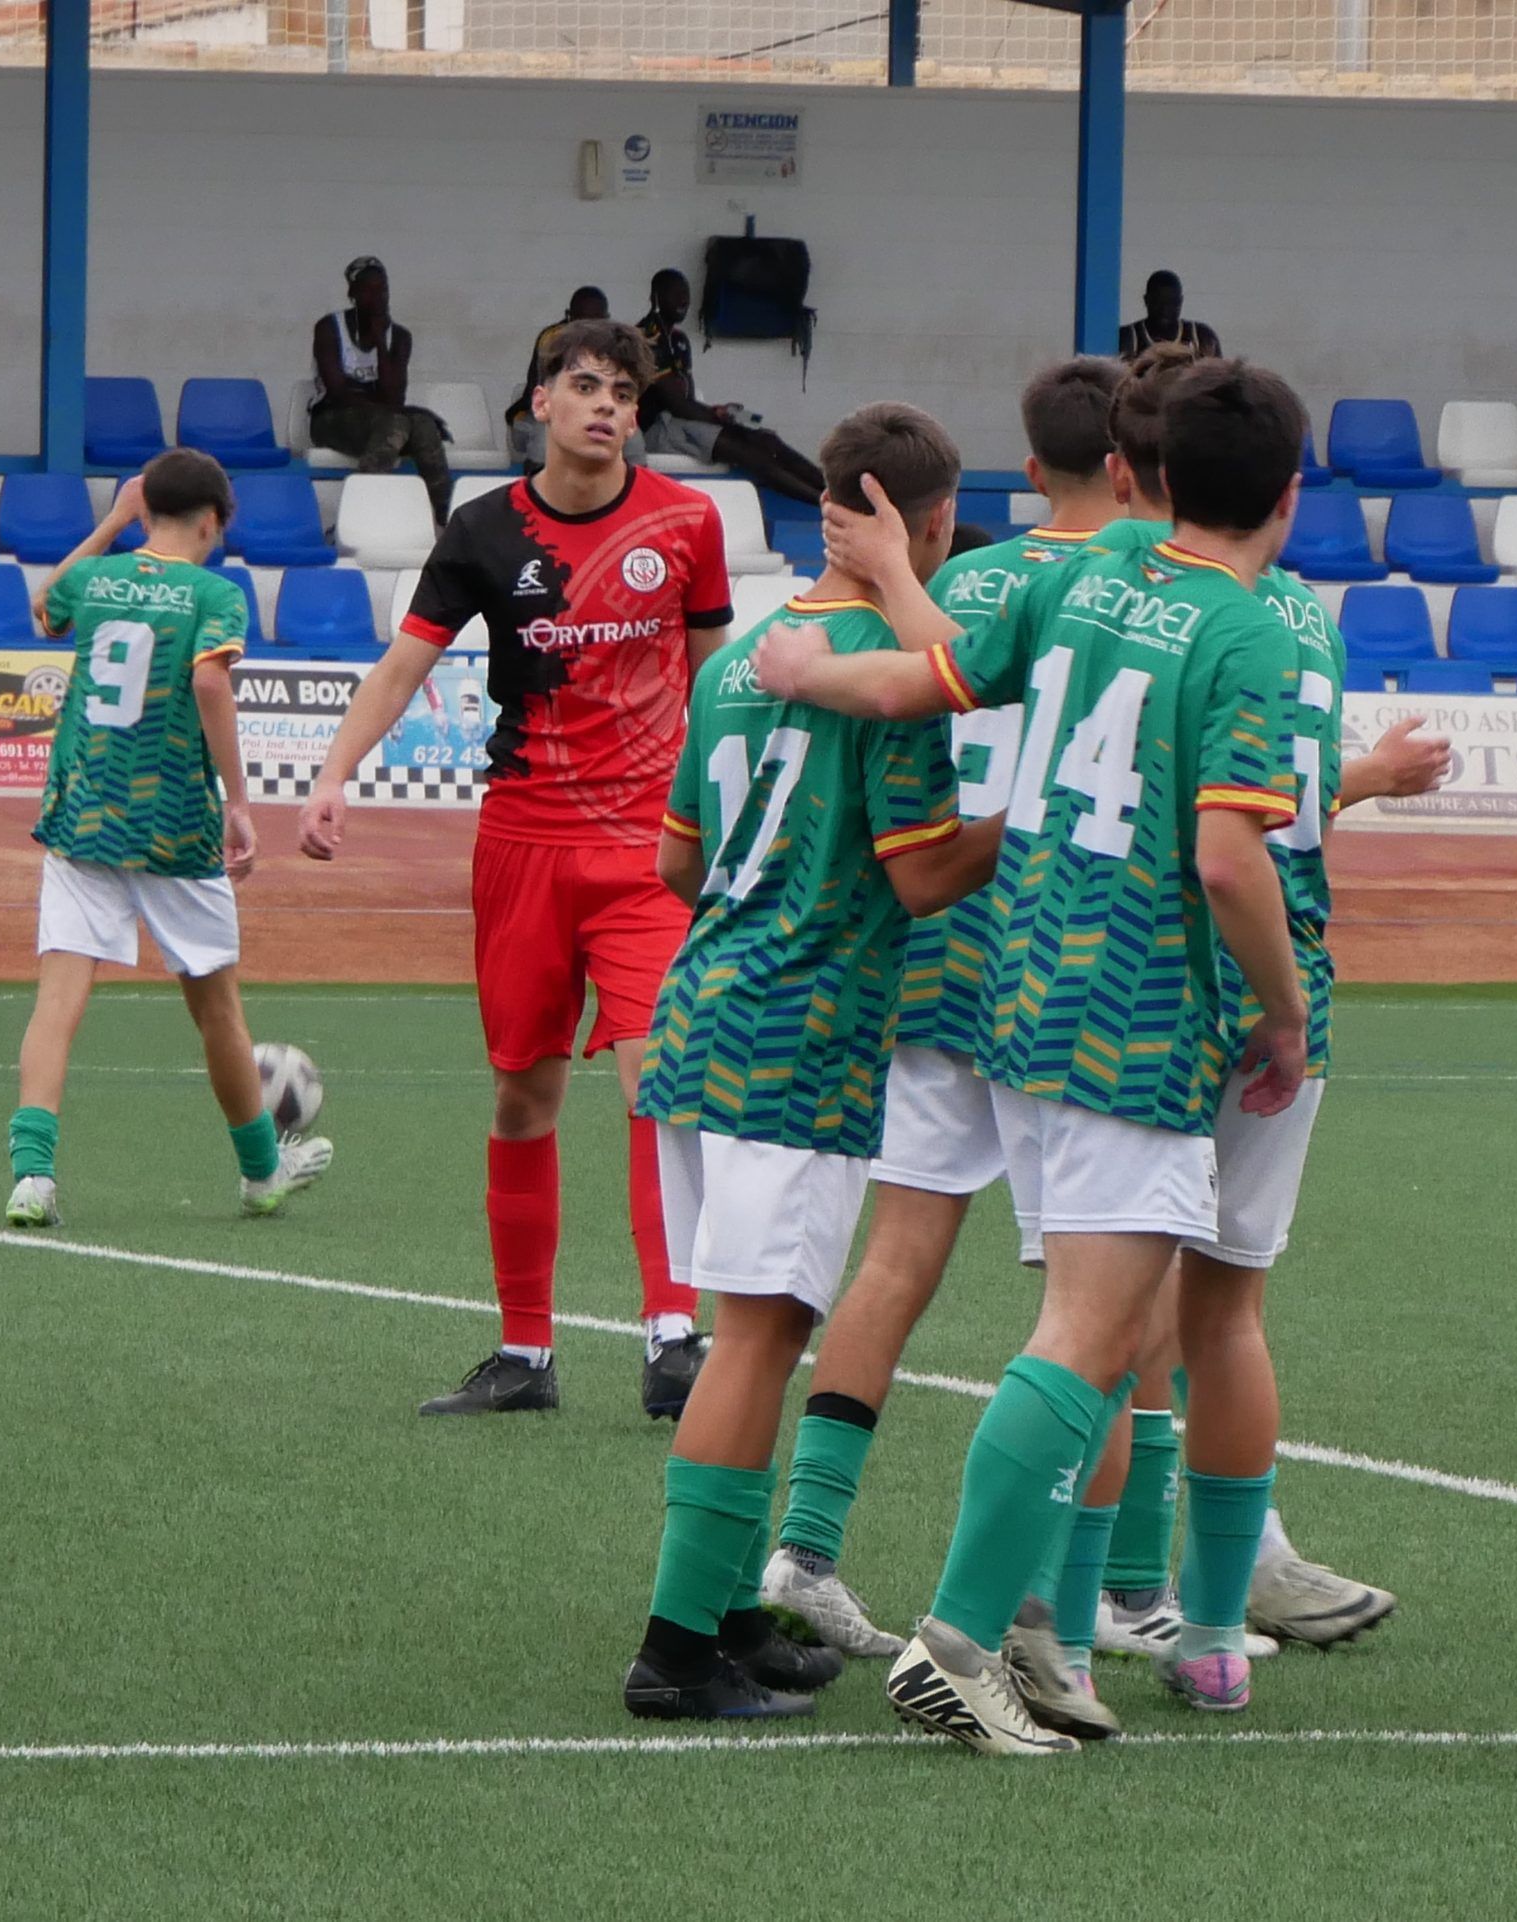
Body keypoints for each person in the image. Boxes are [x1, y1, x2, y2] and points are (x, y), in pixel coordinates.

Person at [754, 359, 1314, 1756]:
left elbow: (936, 671)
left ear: (1147, 479)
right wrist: (1285, 1011)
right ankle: (962, 1639)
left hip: (1020, 987)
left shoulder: (1086, 577)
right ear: (1290, 497)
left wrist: (818, 665)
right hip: (1139, 1011)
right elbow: (1230, 857)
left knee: (1095, 1326)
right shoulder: (1248, 633)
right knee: (1088, 1334)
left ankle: (1036, 1640)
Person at [619, 402, 1005, 1723]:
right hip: (801, 1025)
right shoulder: (890, 671)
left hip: (705, 1003)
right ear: (929, 520)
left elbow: (676, 858)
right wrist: (1032, 822)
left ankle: (728, 1608)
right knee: (760, 1334)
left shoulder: (745, 654)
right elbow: (924, 872)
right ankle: (677, 1647)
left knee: (755, 1325)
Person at [296, 319, 734, 1421]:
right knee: (524, 1095)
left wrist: (732, 807)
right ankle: (524, 1354)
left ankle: (672, 1335)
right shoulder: (484, 529)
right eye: (585, 385)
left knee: (658, 1081)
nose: (606, 406)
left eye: (623, 392)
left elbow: (716, 678)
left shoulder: (687, 522)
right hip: (523, 845)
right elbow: (403, 666)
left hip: (649, 851)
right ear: (541, 402)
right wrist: (335, 774)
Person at [6, 455, 333, 1230]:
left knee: (58, 1002)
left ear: (146, 508)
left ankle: (32, 1179)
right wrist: (239, 802)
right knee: (217, 1010)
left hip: (83, 815)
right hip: (174, 823)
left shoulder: (99, 579)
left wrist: (114, 522)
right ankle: (260, 1173)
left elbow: (45, 607)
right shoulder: (215, 594)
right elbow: (211, 683)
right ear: (214, 521)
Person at [638, 269, 826, 505]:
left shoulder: (678, 340)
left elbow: (688, 398)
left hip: (681, 422)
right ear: (656, 296)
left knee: (768, 440)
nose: (683, 300)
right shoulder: (646, 338)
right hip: (658, 428)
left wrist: (718, 411)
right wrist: (724, 422)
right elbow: (677, 405)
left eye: (686, 294)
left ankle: (837, 492)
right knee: (749, 453)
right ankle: (823, 503)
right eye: (675, 294)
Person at [310, 256, 453, 525]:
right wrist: (397, 410)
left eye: (383, 289)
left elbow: (394, 396)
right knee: (397, 422)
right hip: (331, 419)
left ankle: (447, 521)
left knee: (423, 425)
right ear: (352, 293)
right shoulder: (329, 328)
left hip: (382, 420)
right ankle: (360, 518)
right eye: (368, 290)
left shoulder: (399, 337)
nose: (378, 298)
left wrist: (380, 343)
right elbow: (338, 393)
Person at [509, 287, 632, 468]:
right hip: (549, 409)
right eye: (582, 321)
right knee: (545, 441)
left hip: (596, 411)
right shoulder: (553, 339)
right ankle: (538, 483)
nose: (589, 328)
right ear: (569, 316)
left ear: (606, 319)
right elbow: (544, 390)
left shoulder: (616, 344)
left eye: (596, 321)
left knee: (634, 442)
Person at [1117, 269, 1222, 360]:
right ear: (1146, 300)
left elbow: (1219, 375)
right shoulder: (1128, 337)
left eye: (1172, 302)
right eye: (1158, 302)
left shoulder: (1201, 337)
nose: (1165, 309)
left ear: (1180, 302)